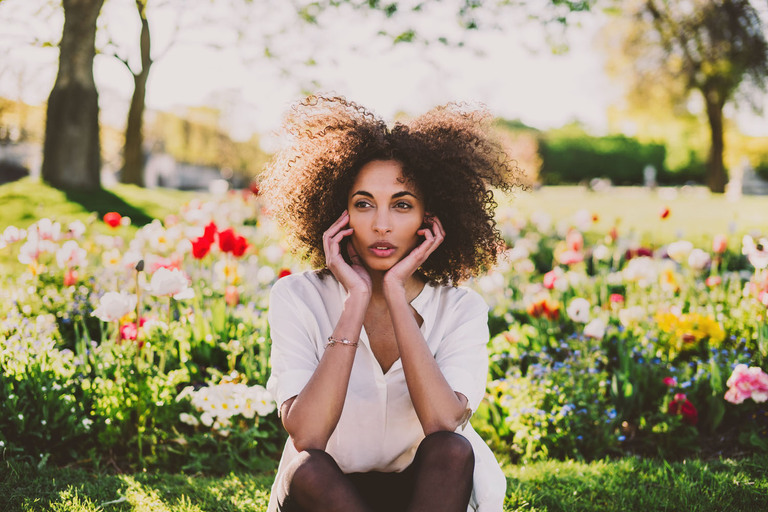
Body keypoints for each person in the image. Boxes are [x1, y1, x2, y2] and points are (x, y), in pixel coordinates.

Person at [260, 95, 522, 512]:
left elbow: (443, 422)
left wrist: (396, 294)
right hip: (326, 497)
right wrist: (356, 301)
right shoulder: (297, 297)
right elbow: (307, 435)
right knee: (308, 468)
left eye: (402, 205)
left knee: (452, 450)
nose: (381, 225)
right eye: (363, 204)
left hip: (424, 495)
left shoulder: (461, 309)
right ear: (339, 214)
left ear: (429, 219)